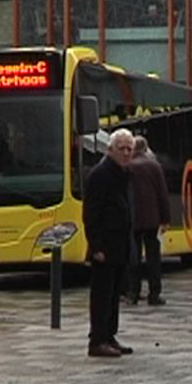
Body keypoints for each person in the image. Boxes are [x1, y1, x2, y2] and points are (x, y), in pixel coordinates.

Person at [83, 128, 135, 358]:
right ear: (110, 149)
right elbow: (91, 213)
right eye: (121, 148)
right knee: (102, 294)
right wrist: (96, 246)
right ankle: (97, 339)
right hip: (105, 245)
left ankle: (109, 335)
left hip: (120, 244)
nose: (126, 153)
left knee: (115, 293)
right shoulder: (101, 174)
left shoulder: (122, 173)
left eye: (129, 149)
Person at [127, 135, 171, 306]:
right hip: (152, 220)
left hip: (132, 219)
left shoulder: (127, 167)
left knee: (133, 257)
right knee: (153, 258)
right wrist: (165, 219)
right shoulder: (154, 166)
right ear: (145, 149)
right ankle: (154, 293)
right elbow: (162, 195)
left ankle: (133, 292)